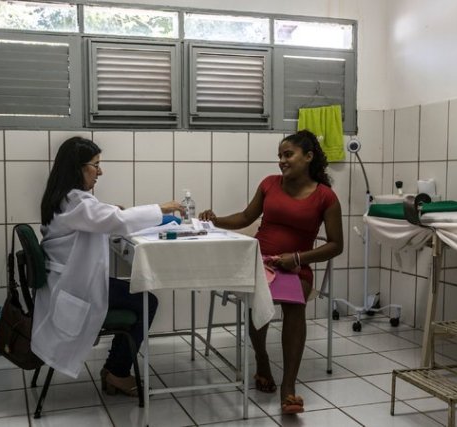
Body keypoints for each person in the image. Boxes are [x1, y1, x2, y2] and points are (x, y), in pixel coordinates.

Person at [199, 130, 343, 414]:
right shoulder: (269, 184)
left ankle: (288, 386)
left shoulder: (326, 197)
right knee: (259, 294)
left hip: (296, 268)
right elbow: (245, 217)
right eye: (279, 156)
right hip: (259, 263)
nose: (281, 161)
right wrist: (215, 221)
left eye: (288, 154)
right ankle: (262, 360)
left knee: (294, 304)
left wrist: (298, 258)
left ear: (309, 156)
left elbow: (336, 245)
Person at [31, 136, 183, 397]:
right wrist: (161, 208)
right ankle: (117, 372)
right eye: (95, 165)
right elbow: (116, 220)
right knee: (147, 302)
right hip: (76, 288)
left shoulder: (63, 199)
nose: (100, 171)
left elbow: (106, 217)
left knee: (137, 296)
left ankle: (116, 368)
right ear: (77, 167)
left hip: (71, 282)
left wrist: (114, 212)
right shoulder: (77, 203)